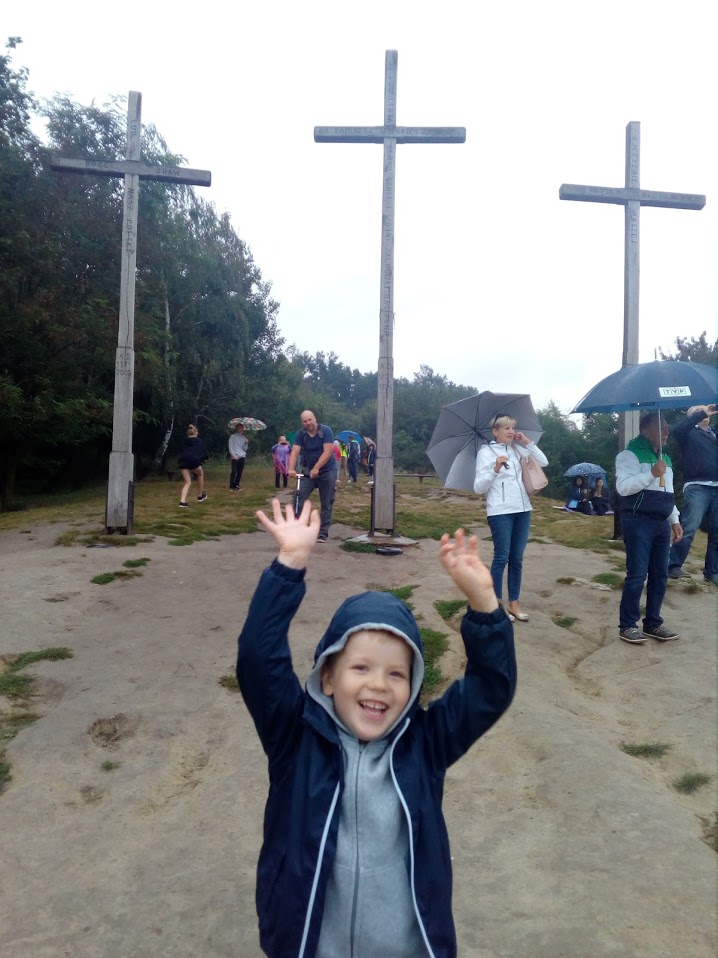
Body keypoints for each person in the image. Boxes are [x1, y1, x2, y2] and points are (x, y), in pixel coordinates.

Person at [237, 498, 517, 958]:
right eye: (361, 668)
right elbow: (257, 659)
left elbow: (491, 688)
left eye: (396, 674)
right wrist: (289, 566)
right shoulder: (294, 737)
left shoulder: (426, 744)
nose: (379, 685)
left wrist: (485, 604)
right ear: (328, 677)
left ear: (414, 684)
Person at [615, 411, 683, 644]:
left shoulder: (666, 458)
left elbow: (667, 493)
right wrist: (651, 474)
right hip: (638, 520)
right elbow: (624, 488)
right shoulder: (629, 455)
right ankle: (627, 625)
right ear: (645, 430)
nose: (667, 431)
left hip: (661, 522)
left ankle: (653, 623)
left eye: (667, 427)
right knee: (637, 574)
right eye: (661, 427)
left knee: (660, 575)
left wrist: (674, 520)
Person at [474, 414, 549, 623]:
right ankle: (497, 604)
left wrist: (527, 442)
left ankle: (514, 603)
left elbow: (543, 462)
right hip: (500, 511)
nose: (510, 431)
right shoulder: (485, 453)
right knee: (502, 557)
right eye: (506, 428)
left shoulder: (517, 449)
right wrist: (495, 469)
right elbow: (478, 487)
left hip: (523, 509)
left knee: (517, 559)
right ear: (495, 431)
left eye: (512, 428)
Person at [667, 404, 718, 585]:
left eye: (706, 410)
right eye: (698, 410)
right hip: (697, 486)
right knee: (689, 527)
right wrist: (700, 414)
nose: (704, 412)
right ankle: (673, 566)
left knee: (717, 531)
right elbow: (678, 429)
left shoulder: (714, 434)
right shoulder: (688, 433)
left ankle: (712, 572)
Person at [288, 410, 338, 543]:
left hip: (327, 470)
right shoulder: (301, 434)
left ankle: (322, 533)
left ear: (315, 418)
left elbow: (328, 452)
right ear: (302, 423)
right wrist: (291, 469)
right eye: (305, 421)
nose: (308, 423)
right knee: (298, 497)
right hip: (309, 471)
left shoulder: (325, 431)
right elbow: (295, 452)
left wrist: (317, 468)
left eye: (310, 419)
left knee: (326, 502)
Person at [177, 424, 209, 508]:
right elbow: (203, 453)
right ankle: (200, 495)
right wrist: (203, 459)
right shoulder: (199, 441)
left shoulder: (184, 441)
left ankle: (182, 501)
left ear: (188, 433)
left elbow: (181, 451)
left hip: (182, 461)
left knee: (187, 482)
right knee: (200, 474)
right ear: (196, 433)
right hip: (194, 461)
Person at [228, 423, 249, 491]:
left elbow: (245, 449)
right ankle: (232, 486)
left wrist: (246, 443)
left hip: (242, 456)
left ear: (243, 429)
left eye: (241, 428)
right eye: (239, 428)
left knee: (240, 472)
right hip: (235, 456)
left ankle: (237, 485)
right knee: (234, 471)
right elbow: (230, 447)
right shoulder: (233, 436)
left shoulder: (244, 437)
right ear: (237, 429)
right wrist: (233, 455)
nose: (240, 429)